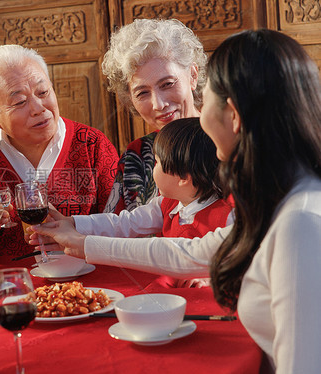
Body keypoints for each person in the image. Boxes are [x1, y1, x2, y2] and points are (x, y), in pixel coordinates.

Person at [32, 29, 321, 373]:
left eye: (206, 93)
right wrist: (82, 239)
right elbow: (196, 252)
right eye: (142, 92)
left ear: (232, 114)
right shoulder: (278, 192)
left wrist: (83, 242)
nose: (159, 103)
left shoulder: (299, 221)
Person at [0, 44, 119, 258]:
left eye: (43, 92)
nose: (39, 108)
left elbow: (122, 225)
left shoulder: (92, 145)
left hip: (85, 281)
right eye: (20, 102)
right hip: (6, 284)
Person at [49, 117, 233, 287]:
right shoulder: (165, 205)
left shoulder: (228, 215)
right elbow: (124, 223)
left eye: (158, 162)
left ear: (184, 177)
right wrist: (73, 223)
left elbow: (237, 266)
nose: (153, 167)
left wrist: (208, 280)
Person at [101, 18, 207, 213]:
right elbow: (113, 231)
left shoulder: (227, 144)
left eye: (167, 84)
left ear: (193, 75)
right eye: (142, 93)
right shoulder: (137, 157)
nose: (159, 104)